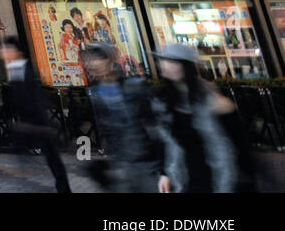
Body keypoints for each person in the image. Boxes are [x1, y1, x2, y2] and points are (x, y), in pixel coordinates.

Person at [151, 44, 251, 193]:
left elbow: (236, 141)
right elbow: (164, 140)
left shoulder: (210, 97)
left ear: (187, 66)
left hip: (216, 171)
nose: (165, 66)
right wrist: (164, 173)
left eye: (173, 62)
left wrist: (244, 177)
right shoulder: (163, 99)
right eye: (163, 61)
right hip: (183, 172)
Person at [81, 43, 162, 192]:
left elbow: (155, 128)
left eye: (98, 58)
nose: (92, 63)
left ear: (110, 60)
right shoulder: (94, 94)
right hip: (119, 166)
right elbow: (93, 131)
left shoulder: (135, 87)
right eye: (89, 59)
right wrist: (85, 156)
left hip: (146, 165)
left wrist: (163, 168)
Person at [0, 36, 72, 193]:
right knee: (40, 157)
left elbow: (33, 98)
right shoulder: (14, 69)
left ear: (14, 51)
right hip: (28, 122)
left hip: (36, 121)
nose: (1, 52)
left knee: (51, 157)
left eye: (5, 49)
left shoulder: (23, 70)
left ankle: (63, 188)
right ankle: (60, 187)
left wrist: (39, 122)